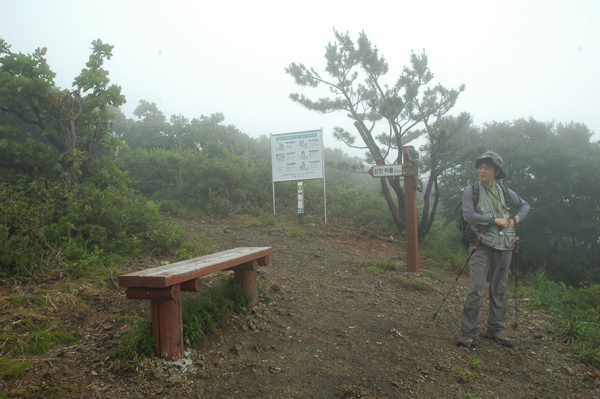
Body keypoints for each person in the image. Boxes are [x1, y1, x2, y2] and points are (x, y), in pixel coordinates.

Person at [457, 151, 530, 348]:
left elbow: (525, 206)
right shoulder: (471, 190)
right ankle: (469, 333)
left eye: (487, 167)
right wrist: (493, 220)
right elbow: (468, 215)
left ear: (496, 171)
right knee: (476, 288)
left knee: (500, 288)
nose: (482, 170)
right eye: (480, 167)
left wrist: (515, 220)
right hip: (480, 244)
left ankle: (496, 330)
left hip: (504, 245)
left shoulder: (505, 192)